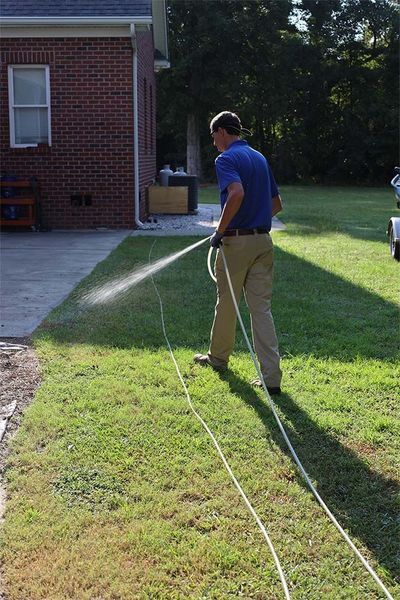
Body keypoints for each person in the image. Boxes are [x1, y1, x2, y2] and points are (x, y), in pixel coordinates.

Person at [194, 111, 283, 395]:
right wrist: (254, 221)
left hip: (236, 244)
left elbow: (236, 193)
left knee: (227, 303)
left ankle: (218, 359)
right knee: (261, 310)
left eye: (213, 136)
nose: (213, 143)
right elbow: (276, 204)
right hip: (263, 242)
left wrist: (222, 230)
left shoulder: (226, 159)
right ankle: (271, 378)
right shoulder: (259, 158)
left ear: (221, 131)